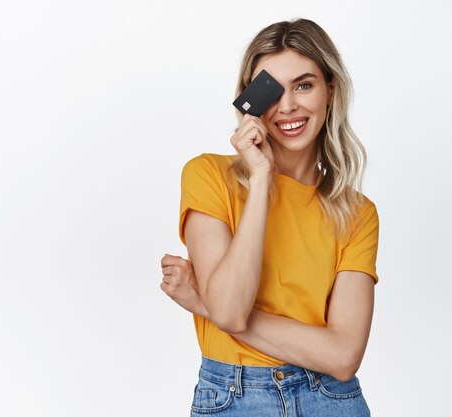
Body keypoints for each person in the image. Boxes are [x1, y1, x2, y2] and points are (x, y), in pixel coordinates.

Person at [160, 18, 379, 417]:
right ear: (252, 100)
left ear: (330, 90)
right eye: (272, 90)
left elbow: (344, 356)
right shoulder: (208, 176)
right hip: (234, 396)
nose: (289, 105)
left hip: (331, 399)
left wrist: (205, 305)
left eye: (304, 84)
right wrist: (260, 177)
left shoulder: (357, 213)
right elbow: (230, 308)